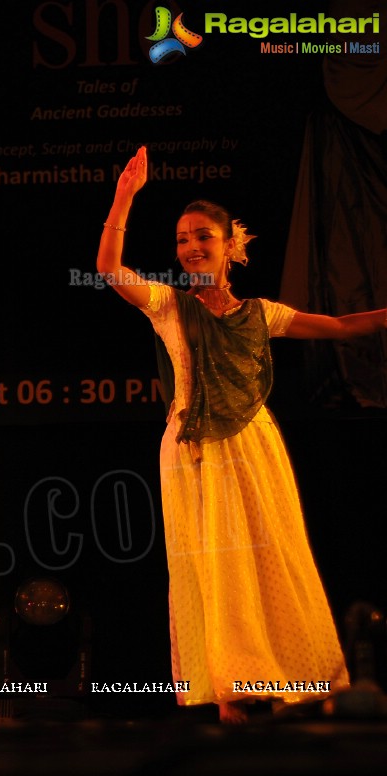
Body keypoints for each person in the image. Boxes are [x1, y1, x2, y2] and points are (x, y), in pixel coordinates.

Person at [96, 146, 382, 724]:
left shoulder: (260, 313)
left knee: (271, 559)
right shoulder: (170, 305)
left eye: (202, 236)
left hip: (253, 445)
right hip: (194, 447)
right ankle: (232, 689)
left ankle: (284, 677)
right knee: (215, 566)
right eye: (180, 240)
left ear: (231, 244)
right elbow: (109, 271)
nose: (190, 247)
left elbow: (341, 325)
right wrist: (125, 195)